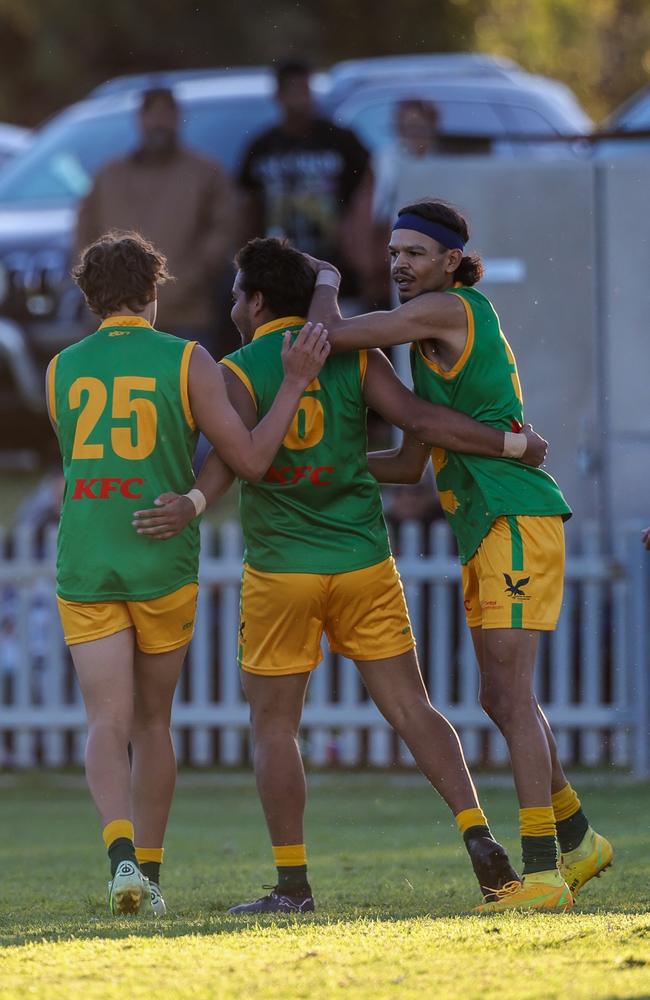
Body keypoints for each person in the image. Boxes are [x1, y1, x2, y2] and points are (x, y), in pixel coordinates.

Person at [132, 236, 549, 915]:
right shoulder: (358, 357)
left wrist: (194, 503)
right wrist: (510, 441)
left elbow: (232, 458)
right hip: (363, 562)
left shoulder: (238, 370)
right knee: (415, 709)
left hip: (280, 572)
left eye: (237, 295)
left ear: (257, 300)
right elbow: (415, 421)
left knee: (274, 728)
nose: (234, 306)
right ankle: (479, 836)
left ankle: (293, 886)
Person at [305, 198, 613, 913]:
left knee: (512, 696)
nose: (399, 265)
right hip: (485, 523)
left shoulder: (448, 309)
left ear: (450, 261)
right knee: (499, 697)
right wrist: (321, 463)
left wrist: (323, 275)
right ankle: (579, 840)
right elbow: (412, 458)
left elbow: (329, 334)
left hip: (515, 516)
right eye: (392, 254)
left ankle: (541, 874)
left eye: (414, 253)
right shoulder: (427, 337)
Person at [45, 231, 329, 917]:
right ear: (152, 291)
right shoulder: (188, 361)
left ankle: (121, 863)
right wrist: (289, 386)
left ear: (89, 298)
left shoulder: (61, 370)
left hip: (87, 559)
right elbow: (251, 458)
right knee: (152, 724)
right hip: (162, 562)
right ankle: (152, 871)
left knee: (103, 722)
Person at [75, 87, 236, 357]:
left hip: (187, 318)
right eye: (152, 113)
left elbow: (225, 230)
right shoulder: (109, 175)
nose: (159, 122)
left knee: (185, 396)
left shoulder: (205, 173)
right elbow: (82, 236)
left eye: (166, 113)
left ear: (178, 118)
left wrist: (186, 280)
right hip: (116, 320)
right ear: (140, 119)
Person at [238, 59, 374, 306]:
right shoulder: (262, 147)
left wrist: (361, 251)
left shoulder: (341, 141)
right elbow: (249, 209)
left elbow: (367, 195)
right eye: (293, 91)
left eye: (305, 90)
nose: (300, 99)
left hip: (339, 269)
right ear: (278, 95)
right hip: (280, 274)